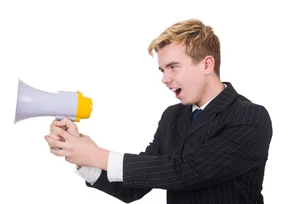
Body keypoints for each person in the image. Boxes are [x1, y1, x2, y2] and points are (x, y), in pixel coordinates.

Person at [44, 18, 273, 204]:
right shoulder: (172, 117)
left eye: (173, 67)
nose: (165, 79)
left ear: (206, 65)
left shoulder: (250, 117)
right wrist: (82, 155)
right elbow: (135, 187)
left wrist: (98, 155)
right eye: (162, 70)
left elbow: (186, 172)